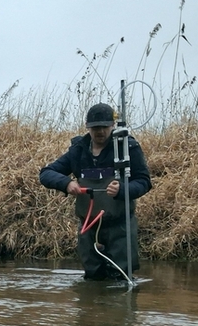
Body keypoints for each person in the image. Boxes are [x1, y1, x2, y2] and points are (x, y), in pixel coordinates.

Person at [39, 102, 152, 280]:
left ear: (112, 126)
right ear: (87, 128)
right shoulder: (78, 150)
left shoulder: (127, 148)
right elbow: (46, 173)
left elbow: (144, 182)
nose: (100, 132)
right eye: (95, 128)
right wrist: (66, 183)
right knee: (92, 278)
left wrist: (122, 189)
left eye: (104, 127)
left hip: (120, 226)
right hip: (88, 227)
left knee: (121, 277)